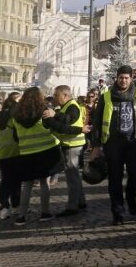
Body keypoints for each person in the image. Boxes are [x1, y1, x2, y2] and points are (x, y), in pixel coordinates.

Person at [89, 66, 136, 225]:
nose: (123, 80)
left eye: (126, 78)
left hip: (134, 142)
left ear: (131, 79)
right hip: (113, 144)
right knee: (114, 180)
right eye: (121, 78)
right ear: (116, 78)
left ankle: (131, 197)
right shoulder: (106, 96)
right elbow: (96, 122)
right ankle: (118, 213)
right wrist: (96, 145)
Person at [10, 87, 61, 226]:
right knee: (45, 183)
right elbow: (54, 127)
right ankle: (45, 213)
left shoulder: (16, 114)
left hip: (26, 153)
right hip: (45, 151)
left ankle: (21, 216)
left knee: (27, 185)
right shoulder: (43, 112)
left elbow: (15, 136)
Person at [43, 84, 90, 217]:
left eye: (56, 95)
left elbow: (69, 120)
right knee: (74, 175)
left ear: (65, 95)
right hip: (70, 144)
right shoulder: (67, 106)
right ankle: (80, 202)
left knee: (72, 177)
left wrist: (55, 114)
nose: (55, 98)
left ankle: (72, 206)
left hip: (72, 145)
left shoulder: (72, 106)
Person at [0, 93, 22, 220]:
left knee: (5, 180)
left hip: (2, 152)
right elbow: (18, 136)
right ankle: (16, 206)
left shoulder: (0, 116)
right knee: (16, 181)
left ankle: (4, 207)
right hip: (15, 152)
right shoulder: (15, 118)